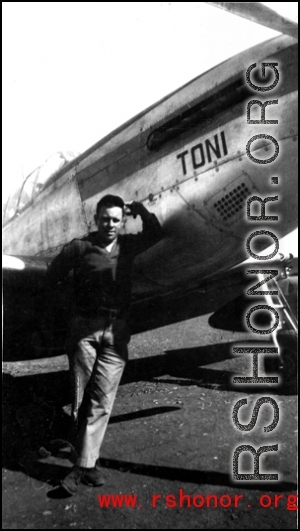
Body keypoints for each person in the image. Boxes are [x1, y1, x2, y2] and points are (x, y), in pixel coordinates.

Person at [46, 194, 163, 495]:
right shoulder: (79, 248)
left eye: (115, 219)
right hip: (84, 330)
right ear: (95, 219)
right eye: (104, 219)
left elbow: (155, 233)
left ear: (121, 221)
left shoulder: (128, 245)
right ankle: (85, 465)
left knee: (102, 400)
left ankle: (82, 466)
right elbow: (51, 278)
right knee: (81, 399)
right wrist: (71, 312)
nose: (110, 224)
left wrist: (141, 211)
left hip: (117, 331)